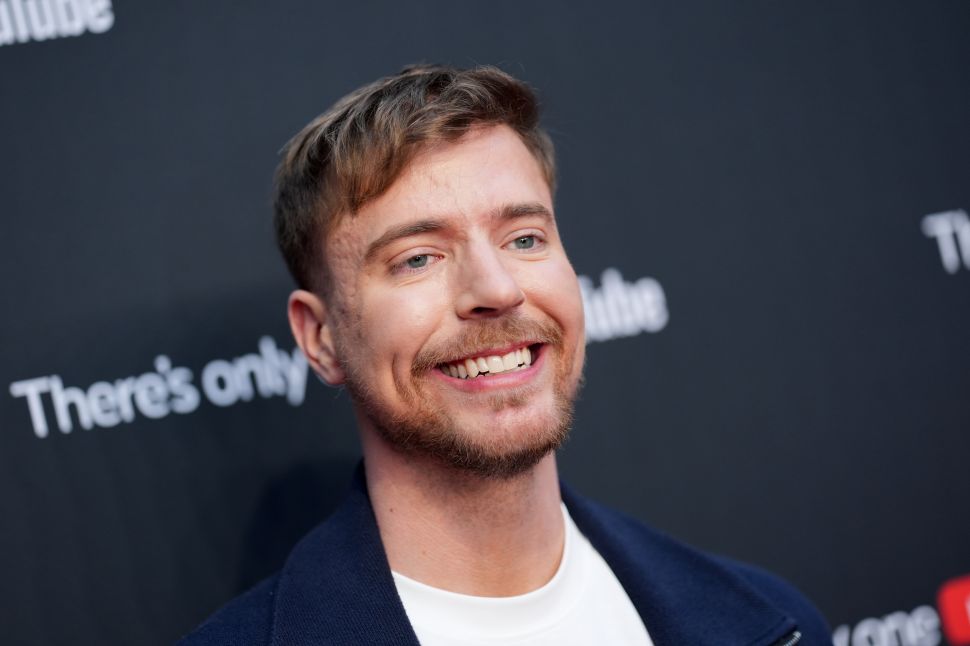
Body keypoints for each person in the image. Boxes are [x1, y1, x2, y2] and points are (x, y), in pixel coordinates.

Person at [179, 64, 830, 645]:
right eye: (418, 259)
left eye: (524, 238)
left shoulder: (772, 619)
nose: (496, 289)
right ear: (320, 339)